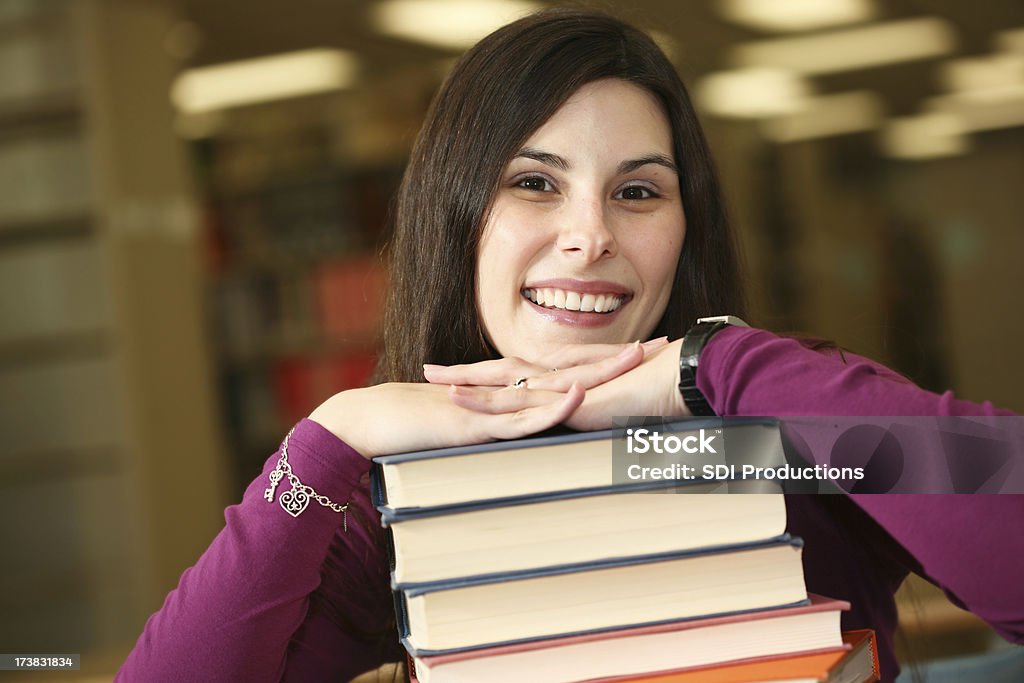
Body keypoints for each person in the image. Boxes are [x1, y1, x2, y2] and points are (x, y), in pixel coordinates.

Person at [117, 9, 1022, 683]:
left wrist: (720, 365)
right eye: (534, 181)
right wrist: (331, 435)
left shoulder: (791, 413)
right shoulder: (399, 508)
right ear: (458, 217)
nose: (589, 236)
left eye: (637, 192)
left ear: (685, 227)